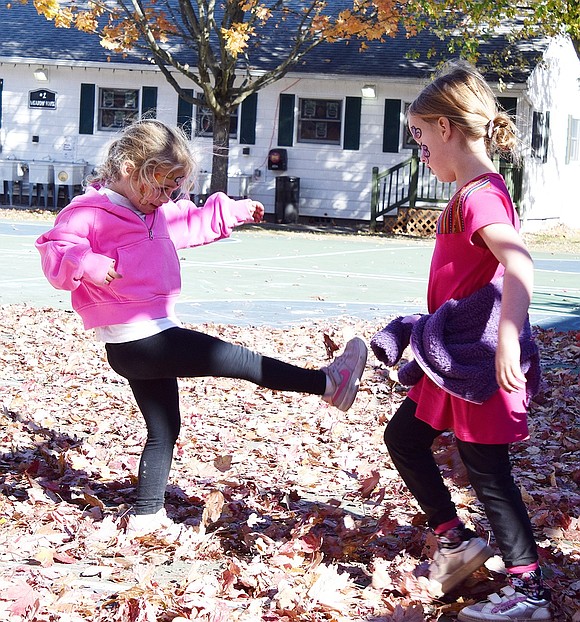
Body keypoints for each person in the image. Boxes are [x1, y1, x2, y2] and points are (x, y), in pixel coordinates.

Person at [36, 119, 367, 537]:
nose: (165, 195)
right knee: (239, 360)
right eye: (158, 182)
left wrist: (234, 210)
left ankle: (146, 516)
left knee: (164, 428)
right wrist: (86, 264)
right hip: (140, 340)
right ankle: (327, 384)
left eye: (174, 185)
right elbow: (57, 249)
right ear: (127, 168)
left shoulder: (154, 212)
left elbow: (191, 221)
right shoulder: (90, 213)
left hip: (147, 340)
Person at [375, 62, 552, 621]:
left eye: (420, 135)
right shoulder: (470, 192)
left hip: (477, 360)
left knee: (487, 469)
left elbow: (519, 263)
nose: (420, 148)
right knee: (404, 438)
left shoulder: (480, 196)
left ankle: (529, 592)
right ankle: (455, 543)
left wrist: (506, 340)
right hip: (451, 358)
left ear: (447, 129)